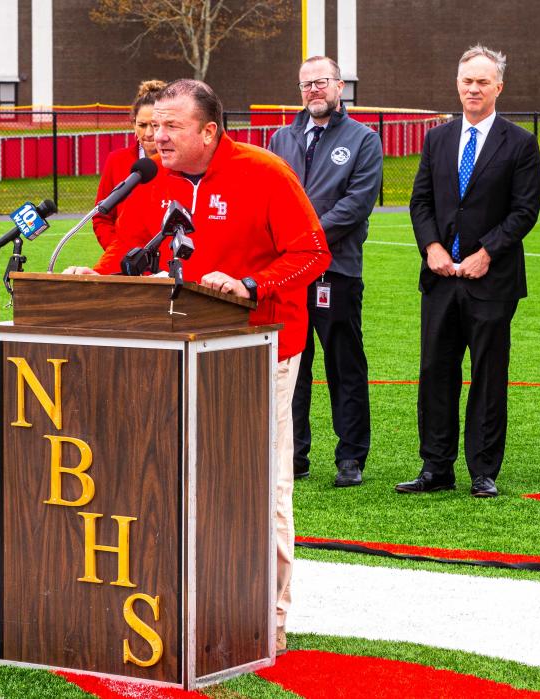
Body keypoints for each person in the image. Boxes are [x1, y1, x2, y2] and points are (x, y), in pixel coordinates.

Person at [64, 79, 330, 653]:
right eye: (154, 126)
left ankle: (268, 617)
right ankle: (184, 601)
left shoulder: (265, 173)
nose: (157, 137)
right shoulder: (149, 178)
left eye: (171, 127)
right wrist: (99, 276)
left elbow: (312, 252)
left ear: (209, 131)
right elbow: (131, 247)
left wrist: (249, 285)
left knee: (261, 485)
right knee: (175, 478)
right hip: (176, 346)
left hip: (260, 349)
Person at [400, 46, 540, 499]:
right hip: (441, 279)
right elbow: (420, 201)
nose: (473, 88)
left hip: (491, 282)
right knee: (435, 373)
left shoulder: (519, 142)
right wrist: (432, 247)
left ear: (498, 86)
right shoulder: (437, 139)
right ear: (457, 84)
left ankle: (484, 470)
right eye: (467, 81)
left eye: (483, 81)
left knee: (487, 375)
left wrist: (488, 253)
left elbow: (525, 210)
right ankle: (435, 467)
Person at [268, 56, 382, 488]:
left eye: (321, 82)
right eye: (305, 85)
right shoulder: (281, 139)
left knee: (343, 364)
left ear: (339, 87)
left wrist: (304, 236)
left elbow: (356, 205)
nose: (313, 90)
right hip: (287, 274)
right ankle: (293, 455)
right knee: (290, 368)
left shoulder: (363, 140)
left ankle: (351, 457)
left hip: (336, 270)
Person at [92, 79, 165, 250]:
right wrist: (120, 252)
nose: (148, 133)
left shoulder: (181, 164)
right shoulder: (117, 161)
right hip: (125, 262)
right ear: (133, 124)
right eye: (142, 125)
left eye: (155, 125)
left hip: (167, 266)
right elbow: (101, 216)